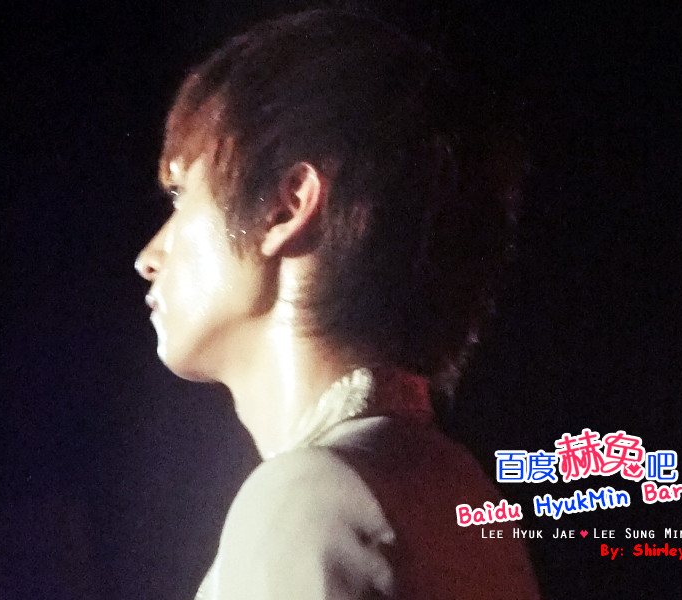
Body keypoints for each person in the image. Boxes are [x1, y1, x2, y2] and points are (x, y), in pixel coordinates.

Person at [135, 9, 539, 600]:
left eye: (182, 195)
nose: (149, 256)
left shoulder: (307, 498)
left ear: (285, 206)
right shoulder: (459, 493)